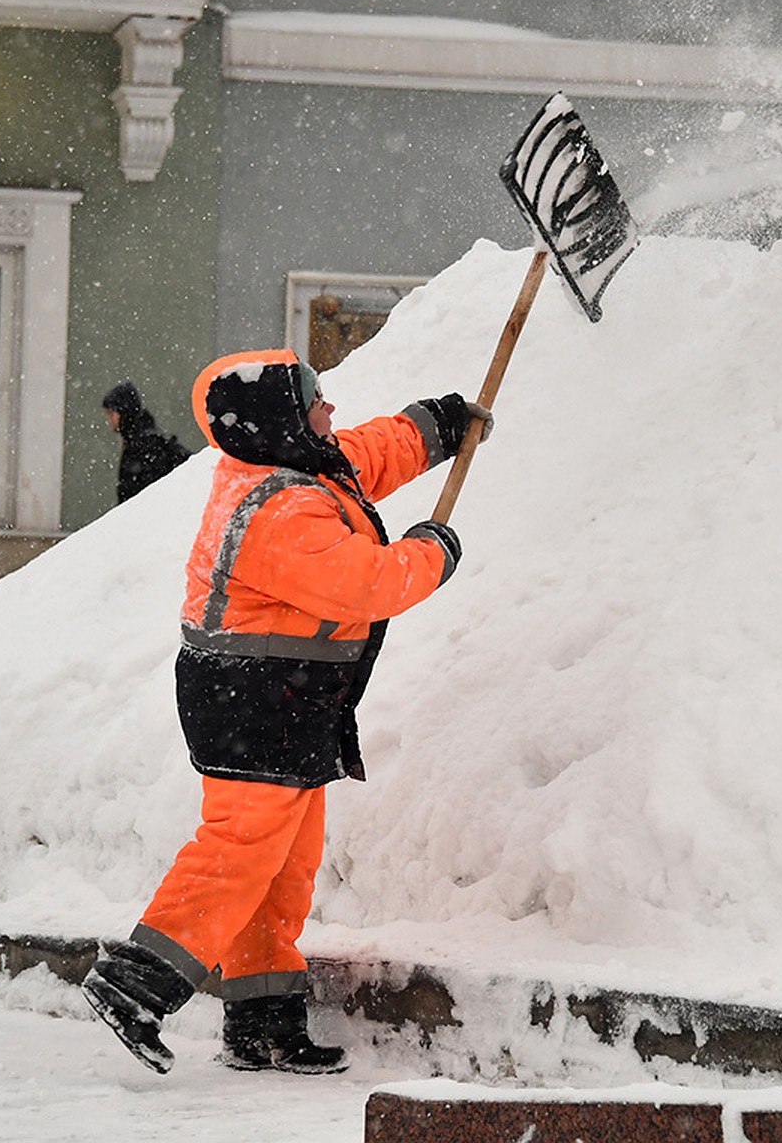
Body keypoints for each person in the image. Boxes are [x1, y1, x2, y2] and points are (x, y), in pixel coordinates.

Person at [81, 348, 488, 1076]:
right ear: (280, 423)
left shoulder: (295, 468)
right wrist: (432, 551)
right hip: (251, 698)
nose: (329, 411)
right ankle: (136, 983)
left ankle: (263, 1020)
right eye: (316, 401)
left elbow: (365, 453)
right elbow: (367, 584)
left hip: (286, 698)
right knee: (240, 852)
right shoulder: (279, 511)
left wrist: (439, 425)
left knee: (284, 867)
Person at [101, 380, 191, 503]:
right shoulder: (151, 441)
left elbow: (138, 495)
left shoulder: (143, 446)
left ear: (123, 412)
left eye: (111, 414)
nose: (109, 420)